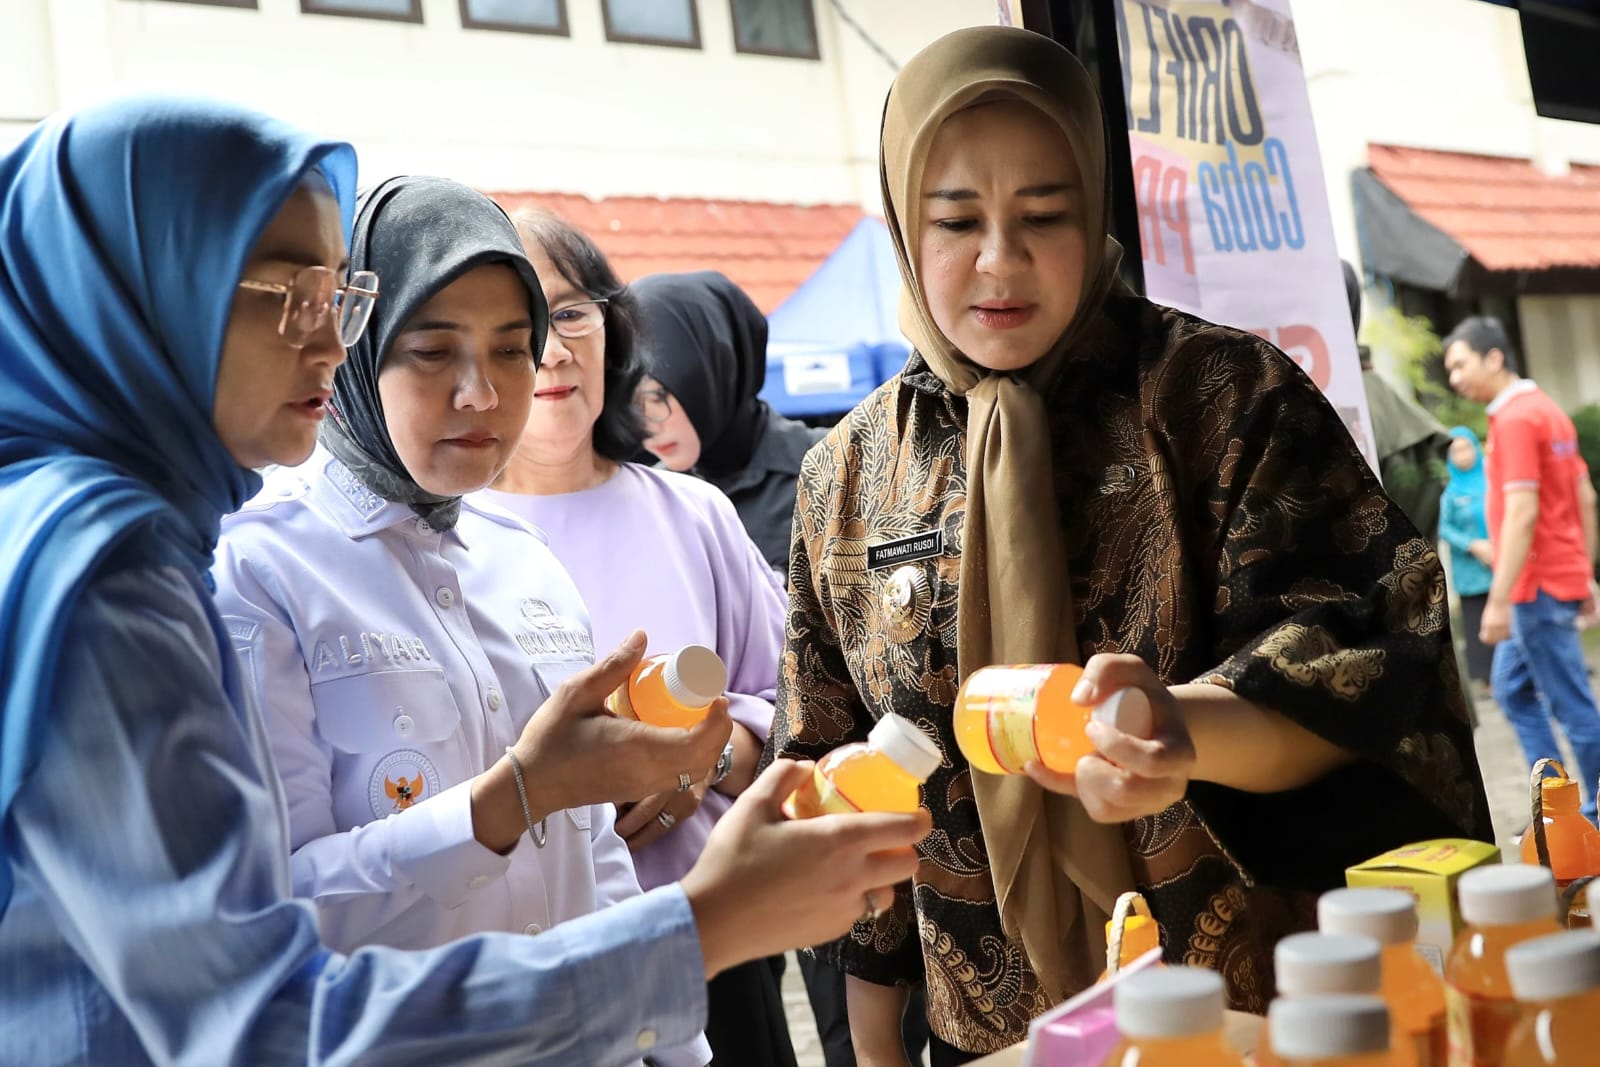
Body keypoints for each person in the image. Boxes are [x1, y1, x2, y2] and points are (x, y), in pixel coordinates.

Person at [0, 96, 929, 1067]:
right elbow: (266, 1012)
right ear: (143, 290)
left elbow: (589, 858)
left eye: (337, 300)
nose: (326, 342)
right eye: (289, 296)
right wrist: (692, 918)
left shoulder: (522, 550)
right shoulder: (134, 572)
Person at [766, 27, 1491, 1065]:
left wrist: (1181, 730)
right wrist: (876, 1049)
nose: (999, 260)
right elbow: (837, 767)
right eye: (956, 219)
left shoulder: (1220, 399)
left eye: (1044, 216)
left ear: (1097, 204)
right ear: (898, 222)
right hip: (995, 1041)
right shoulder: (847, 474)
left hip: (1245, 1017)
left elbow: (1370, 657)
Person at [212, 176, 709, 1066]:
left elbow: (595, 863)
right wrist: (508, 800)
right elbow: (271, 908)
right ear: (355, 354)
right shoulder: (261, 571)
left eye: (513, 349)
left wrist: (677, 1052)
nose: (481, 393)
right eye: (434, 351)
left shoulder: (528, 564)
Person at [478, 211, 798, 1066]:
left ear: (614, 332)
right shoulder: (440, 538)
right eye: (518, 326)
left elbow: (797, 709)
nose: (550, 349)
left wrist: (711, 754)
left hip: (714, 941)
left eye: (572, 312)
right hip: (528, 968)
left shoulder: (692, 513)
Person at [633, 273, 930, 1066]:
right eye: (635, 396)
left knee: (864, 1023)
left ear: (715, 369)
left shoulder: (820, 468)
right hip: (710, 836)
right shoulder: (650, 502)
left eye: (668, 393)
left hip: (847, 792)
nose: (649, 419)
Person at [1443, 316, 1600, 816]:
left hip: (1534, 588)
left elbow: (1523, 511)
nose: (1454, 378)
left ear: (1494, 357)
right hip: (1553, 578)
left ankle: (1593, 812)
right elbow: (1586, 497)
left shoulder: (1513, 419)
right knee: (1511, 691)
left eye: (1460, 364)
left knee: (1572, 705)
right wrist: (1585, 572)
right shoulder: (1548, 410)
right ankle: (1556, 808)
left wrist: (1500, 597)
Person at [631, 270, 828, 573]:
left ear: (715, 371)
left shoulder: (833, 467)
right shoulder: (651, 500)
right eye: (629, 405)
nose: (646, 425)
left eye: (658, 397)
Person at [1438, 426, 1496, 688]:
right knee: (1478, 621)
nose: (1462, 455)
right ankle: (1488, 679)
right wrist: (1472, 544)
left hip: (1501, 561)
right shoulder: (1449, 490)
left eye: (1466, 447)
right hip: (1471, 567)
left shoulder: (1492, 476)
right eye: (1455, 450)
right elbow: (1443, 527)